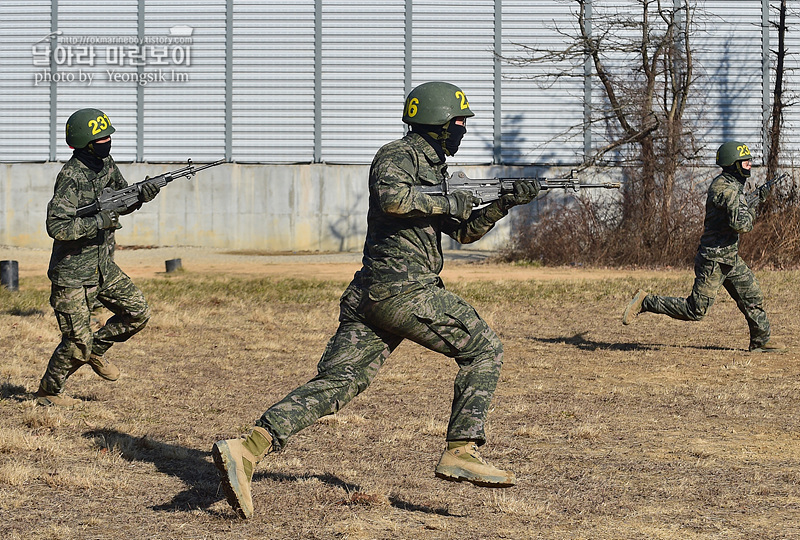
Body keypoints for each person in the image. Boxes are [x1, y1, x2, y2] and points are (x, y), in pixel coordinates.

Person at [212, 81, 541, 519]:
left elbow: (462, 231)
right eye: (459, 122)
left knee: (337, 383)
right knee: (484, 350)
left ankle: (247, 449)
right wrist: (452, 197)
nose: (463, 130)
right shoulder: (397, 156)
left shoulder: (436, 171)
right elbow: (393, 199)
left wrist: (503, 204)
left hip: (374, 298)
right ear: (438, 124)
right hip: (403, 290)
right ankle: (462, 449)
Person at [33, 108, 161, 407]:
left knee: (137, 313)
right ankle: (48, 393)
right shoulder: (71, 177)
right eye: (101, 137)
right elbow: (57, 226)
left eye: (108, 136)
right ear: (86, 142)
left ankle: (96, 349)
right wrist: (98, 222)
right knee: (76, 341)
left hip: (103, 267)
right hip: (73, 275)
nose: (108, 141)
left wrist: (140, 195)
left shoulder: (106, 164)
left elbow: (120, 201)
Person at [622, 141, 786, 353]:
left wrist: (752, 200)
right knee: (695, 310)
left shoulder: (730, 184)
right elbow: (742, 224)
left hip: (728, 256)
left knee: (752, 296)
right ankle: (646, 301)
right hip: (714, 259)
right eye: (745, 162)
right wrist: (753, 208)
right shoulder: (727, 189)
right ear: (732, 164)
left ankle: (761, 341)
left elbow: (734, 210)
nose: (750, 165)